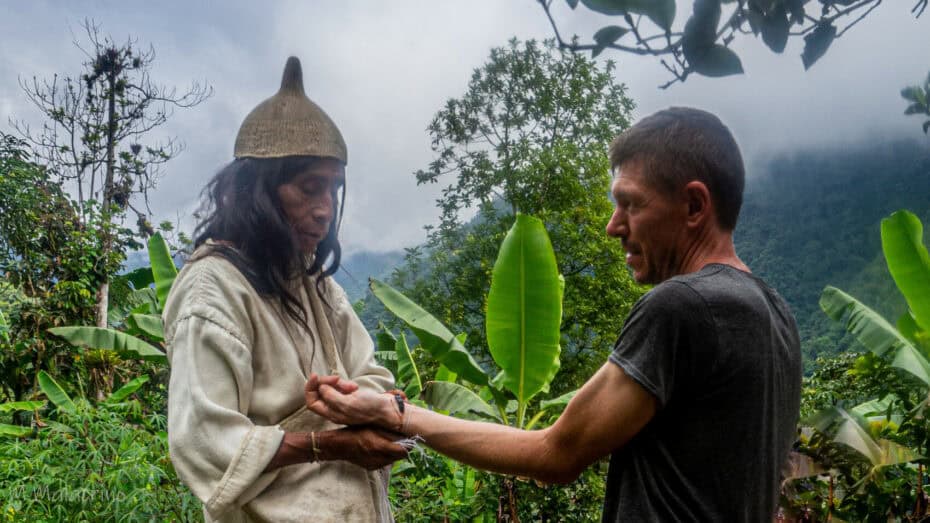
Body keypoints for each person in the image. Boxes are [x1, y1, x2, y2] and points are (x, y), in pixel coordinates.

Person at [305, 107, 803, 521]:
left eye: (630, 205)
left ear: (694, 205)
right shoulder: (776, 315)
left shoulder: (681, 307)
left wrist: (397, 413)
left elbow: (554, 455)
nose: (613, 227)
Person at [163, 56, 406, 522]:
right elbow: (206, 442)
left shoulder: (313, 282)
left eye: (333, 189)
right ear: (258, 189)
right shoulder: (212, 292)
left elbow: (371, 373)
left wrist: (354, 400)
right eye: (309, 188)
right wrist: (328, 443)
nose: (324, 210)